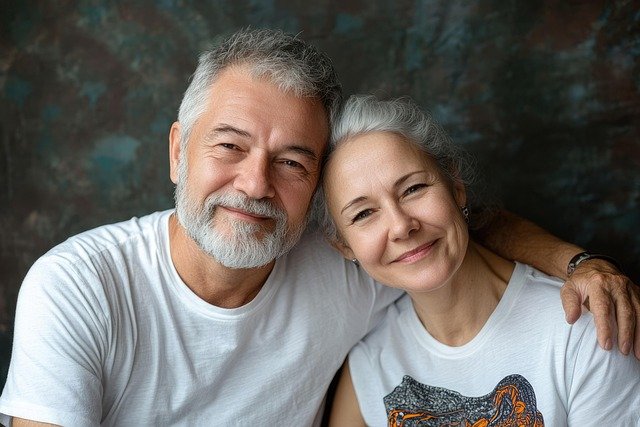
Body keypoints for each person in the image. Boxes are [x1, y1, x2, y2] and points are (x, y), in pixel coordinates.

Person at [0, 29, 637, 426]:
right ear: (177, 151)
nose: (255, 184)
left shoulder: (350, 263)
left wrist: (580, 265)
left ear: (315, 196)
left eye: (292, 162)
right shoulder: (78, 286)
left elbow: (464, 224)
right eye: (230, 146)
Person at [320, 95, 640, 426]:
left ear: (456, 186)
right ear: (343, 246)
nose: (401, 226)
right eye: (364, 214)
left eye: (413, 189)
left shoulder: (584, 330)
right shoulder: (371, 365)